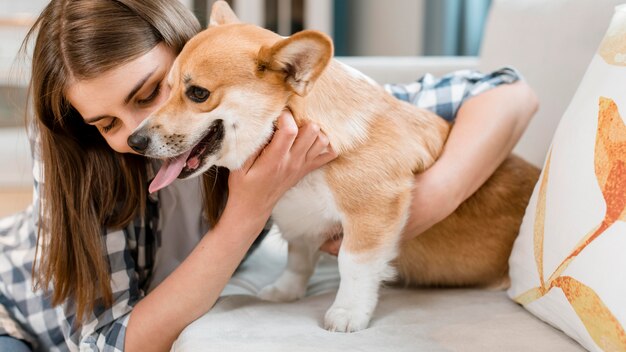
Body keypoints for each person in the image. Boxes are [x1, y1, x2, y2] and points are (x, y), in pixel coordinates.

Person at [0, 0, 538, 351]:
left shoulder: (274, 110)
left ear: (189, 49)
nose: (142, 132)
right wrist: (249, 206)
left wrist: (427, 204)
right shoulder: (86, 164)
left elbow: (510, 92)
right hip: (17, 318)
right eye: (105, 121)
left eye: (151, 93)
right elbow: (108, 343)